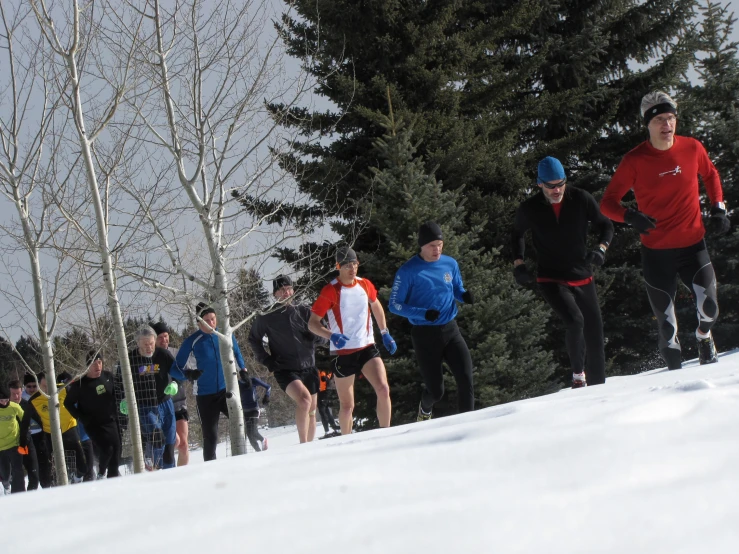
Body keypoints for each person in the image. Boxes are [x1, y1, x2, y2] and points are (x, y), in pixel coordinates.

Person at [601, 91, 728, 369]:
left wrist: (718, 207)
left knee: (710, 310)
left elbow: (710, 174)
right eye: (659, 119)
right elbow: (607, 203)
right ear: (647, 124)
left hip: (693, 246)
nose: (667, 125)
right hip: (657, 254)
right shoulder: (635, 160)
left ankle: (703, 337)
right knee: (668, 335)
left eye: (670, 118)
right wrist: (631, 216)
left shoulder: (692, 148)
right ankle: (673, 390)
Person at [512, 157, 614, 388]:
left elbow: (605, 225)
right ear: (540, 184)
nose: (557, 190)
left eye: (560, 183)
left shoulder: (580, 198)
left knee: (595, 335)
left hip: (582, 274)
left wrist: (601, 249)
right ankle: (578, 377)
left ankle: (599, 390)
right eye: (551, 186)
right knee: (575, 321)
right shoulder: (530, 208)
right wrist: (519, 264)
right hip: (551, 277)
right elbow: (516, 233)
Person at [389, 222, 474, 420]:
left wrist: (464, 295)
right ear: (421, 246)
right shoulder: (408, 271)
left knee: (465, 379)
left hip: (451, 330)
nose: (436, 250)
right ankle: (425, 409)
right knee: (436, 392)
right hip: (425, 335)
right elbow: (394, 304)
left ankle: (468, 425)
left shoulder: (450, 263)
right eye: (431, 246)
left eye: (439, 244)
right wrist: (423, 313)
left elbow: (456, 288)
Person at [309, 247, 395, 434]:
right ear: (338, 266)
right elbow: (312, 324)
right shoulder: (330, 290)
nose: (352, 269)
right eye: (347, 265)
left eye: (355, 264)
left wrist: (384, 331)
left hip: (366, 347)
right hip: (343, 353)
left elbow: (376, 305)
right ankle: (345, 444)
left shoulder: (365, 284)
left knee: (383, 389)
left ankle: (386, 435)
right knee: (348, 406)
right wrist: (331, 335)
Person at [249, 275, 324, 444]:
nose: (286, 292)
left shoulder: (304, 311)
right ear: (275, 293)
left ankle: (309, 448)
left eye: (288, 288)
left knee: (312, 411)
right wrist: (267, 360)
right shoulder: (267, 315)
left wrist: (315, 337)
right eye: (281, 290)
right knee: (304, 401)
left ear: (293, 290)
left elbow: (323, 332)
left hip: (309, 367)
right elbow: (254, 339)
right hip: (285, 369)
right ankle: (302, 444)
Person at [176, 304, 243, 461]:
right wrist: (188, 374)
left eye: (213, 319)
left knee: (241, 422)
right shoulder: (192, 341)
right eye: (206, 321)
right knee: (211, 436)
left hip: (226, 390)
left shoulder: (225, 334)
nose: (211, 323)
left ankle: (241, 459)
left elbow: (237, 353)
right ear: (199, 323)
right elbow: (175, 368)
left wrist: (244, 370)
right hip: (205, 395)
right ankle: (209, 470)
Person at [119, 325, 188, 470]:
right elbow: (119, 383)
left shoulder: (163, 354)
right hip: (145, 406)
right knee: (157, 438)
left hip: (165, 403)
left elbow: (178, 373)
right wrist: (123, 399)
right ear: (138, 343)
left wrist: (175, 384)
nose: (149, 347)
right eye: (145, 344)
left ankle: (170, 475)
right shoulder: (130, 359)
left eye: (151, 343)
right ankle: (154, 468)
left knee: (170, 445)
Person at [21, 372, 88, 484]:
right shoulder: (34, 400)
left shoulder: (63, 389)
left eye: (49, 385)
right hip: (50, 434)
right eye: (43, 387)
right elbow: (25, 421)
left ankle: (78, 478)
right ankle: (57, 484)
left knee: (82, 464)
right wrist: (22, 442)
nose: (47, 389)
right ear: (39, 386)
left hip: (69, 428)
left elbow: (81, 400)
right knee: (53, 465)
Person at [64, 352, 122, 478]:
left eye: (100, 362)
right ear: (88, 366)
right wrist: (80, 417)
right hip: (92, 424)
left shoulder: (108, 376)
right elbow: (67, 403)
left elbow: (118, 393)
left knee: (116, 449)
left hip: (110, 420)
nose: (98, 366)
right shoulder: (80, 384)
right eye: (94, 364)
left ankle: (113, 477)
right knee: (107, 449)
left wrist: (122, 405)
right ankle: (101, 472)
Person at [152, 322, 191, 466]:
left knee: (183, 445)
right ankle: (161, 465)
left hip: (179, 403)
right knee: (174, 442)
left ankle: (182, 477)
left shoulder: (176, 354)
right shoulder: (152, 357)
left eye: (166, 336)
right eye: (160, 337)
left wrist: (178, 382)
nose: (164, 340)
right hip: (161, 406)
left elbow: (184, 374)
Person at [8, 380, 39, 489]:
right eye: (13, 394)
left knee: (35, 475)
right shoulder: (4, 407)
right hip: (11, 445)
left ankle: (31, 500)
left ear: (22, 391)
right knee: (18, 478)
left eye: (18, 393)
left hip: (26, 442)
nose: (16, 396)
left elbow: (40, 420)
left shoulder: (27, 405)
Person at [22, 374, 51, 487]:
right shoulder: (22, 398)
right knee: (31, 466)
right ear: (25, 387)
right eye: (29, 386)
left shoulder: (41, 396)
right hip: (28, 436)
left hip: (40, 434)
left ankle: (46, 485)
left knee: (44, 462)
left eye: (34, 386)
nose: (32, 389)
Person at [0, 382, 26, 494]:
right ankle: (6, 485)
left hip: (14, 443)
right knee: (5, 472)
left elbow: (25, 418)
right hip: (0, 447)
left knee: (18, 469)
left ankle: (19, 493)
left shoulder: (14, 406)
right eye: (1, 400)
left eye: (6, 400)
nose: (5, 403)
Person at [238, 375, 271, 451]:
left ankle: (263, 440)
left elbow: (268, 387)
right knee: (249, 435)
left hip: (254, 409)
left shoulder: (253, 380)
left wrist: (267, 396)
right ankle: (258, 452)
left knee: (253, 431)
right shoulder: (237, 383)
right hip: (245, 410)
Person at [317, 370, 340, 437]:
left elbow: (325, 379)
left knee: (323, 411)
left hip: (324, 390)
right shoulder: (323, 368)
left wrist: (325, 378)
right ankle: (334, 429)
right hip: (324, 390)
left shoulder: (324, 369)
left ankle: (327, 431)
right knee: (325, 410)